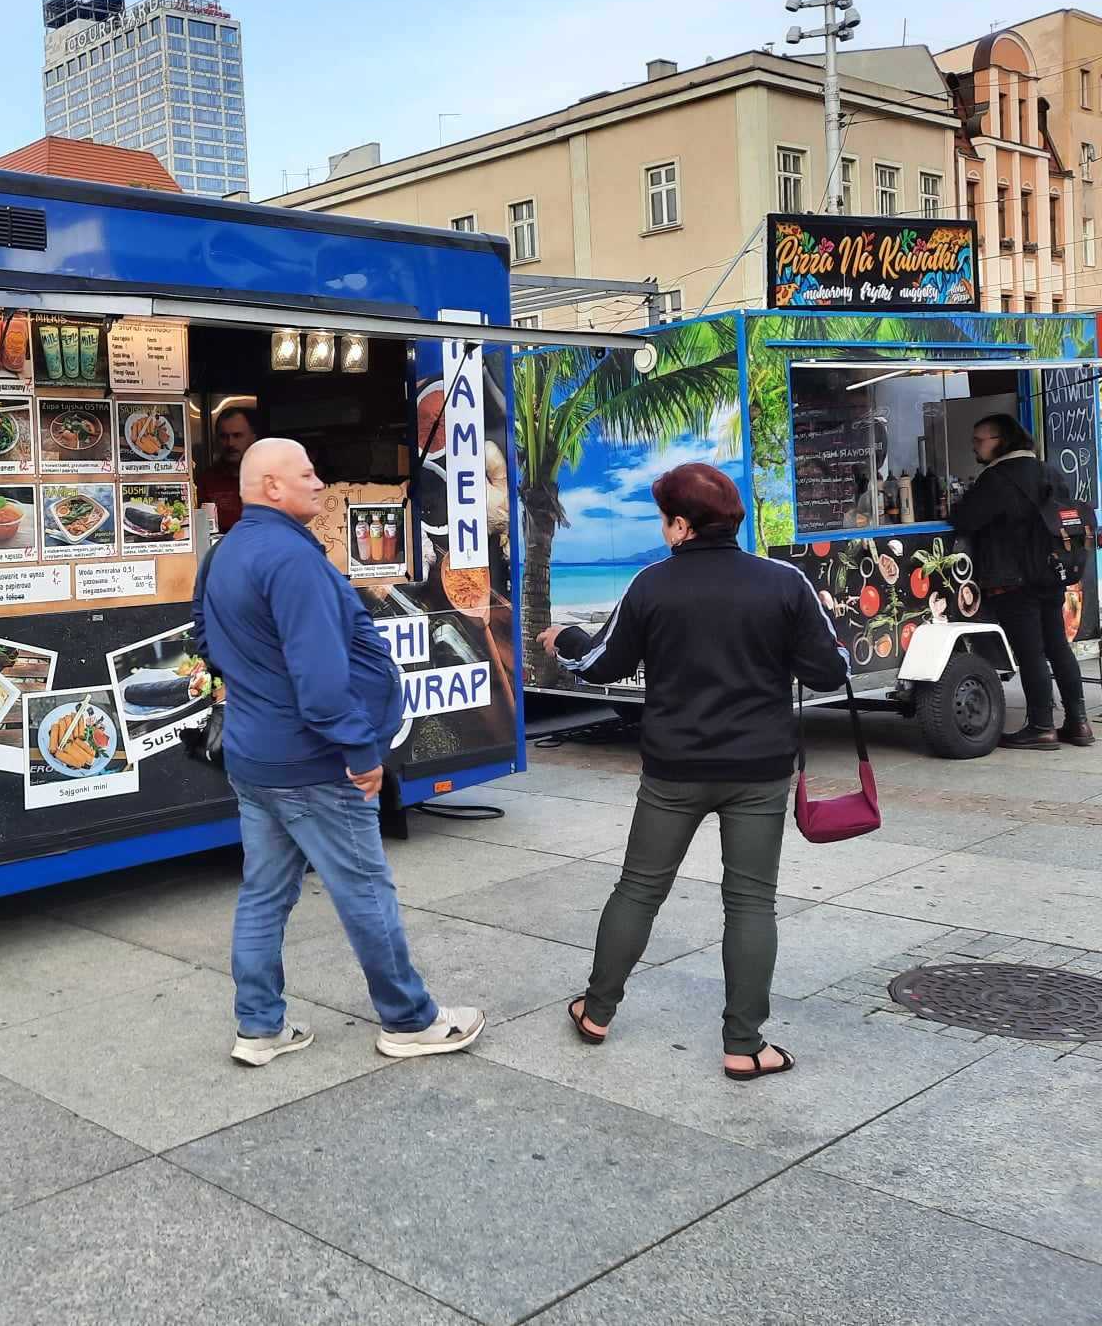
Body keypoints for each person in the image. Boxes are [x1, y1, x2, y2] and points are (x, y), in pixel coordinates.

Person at [538, 463, 847, 1081]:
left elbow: (600, 665)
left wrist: (564, 638)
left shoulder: (652, 586)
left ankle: (596, 1012)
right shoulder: (784, 582)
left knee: (638, 889)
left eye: (664, 519)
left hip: (673, 771)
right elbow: (830, 670)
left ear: (681, 525)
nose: (661, 529)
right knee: (752, 902)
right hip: (759, 769)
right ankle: (744, 1044)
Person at [197, 436, 485, 1066]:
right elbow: (321, 682)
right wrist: (361, 754)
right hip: (315, 763)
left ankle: (260, 1027)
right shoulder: (293, 561)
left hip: (255, 757)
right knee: (364, 890)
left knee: (264, 893)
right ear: (273, 486)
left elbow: (206, 638)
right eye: (307, 473)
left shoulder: (225, 552)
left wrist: (256, 689)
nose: (319, 482)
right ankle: (409, 1020)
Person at [948, 413, 1091, 749]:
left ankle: (1042, 726)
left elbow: (964, 520)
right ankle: (1078, 723)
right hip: (1052, 573)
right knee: (1057, 646)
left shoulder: (996, 479)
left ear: (1002, 441)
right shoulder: (1050, 471)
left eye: (979, 440)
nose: (974, 447)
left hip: (1014, 579)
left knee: (1030, 653)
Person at [194, 405, 260, 533]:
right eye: (224, 436)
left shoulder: (268, 477)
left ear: (253, 438)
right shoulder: (206, 481)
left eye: (237, 435)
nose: (230, 443)